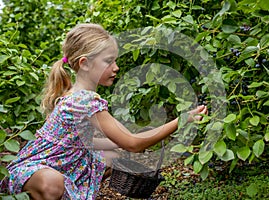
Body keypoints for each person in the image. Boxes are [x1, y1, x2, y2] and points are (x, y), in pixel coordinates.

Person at [0, 23, 208, 200]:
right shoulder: (83, 101)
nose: (116, 67)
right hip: (31, 171)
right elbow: (133, 143)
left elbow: (119, 141)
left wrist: (143, 139)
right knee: (52, 183)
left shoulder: (85, 97)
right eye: (109, 61)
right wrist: (182, 120)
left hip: (58, 163)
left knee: (111, 155)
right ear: (85, 64)